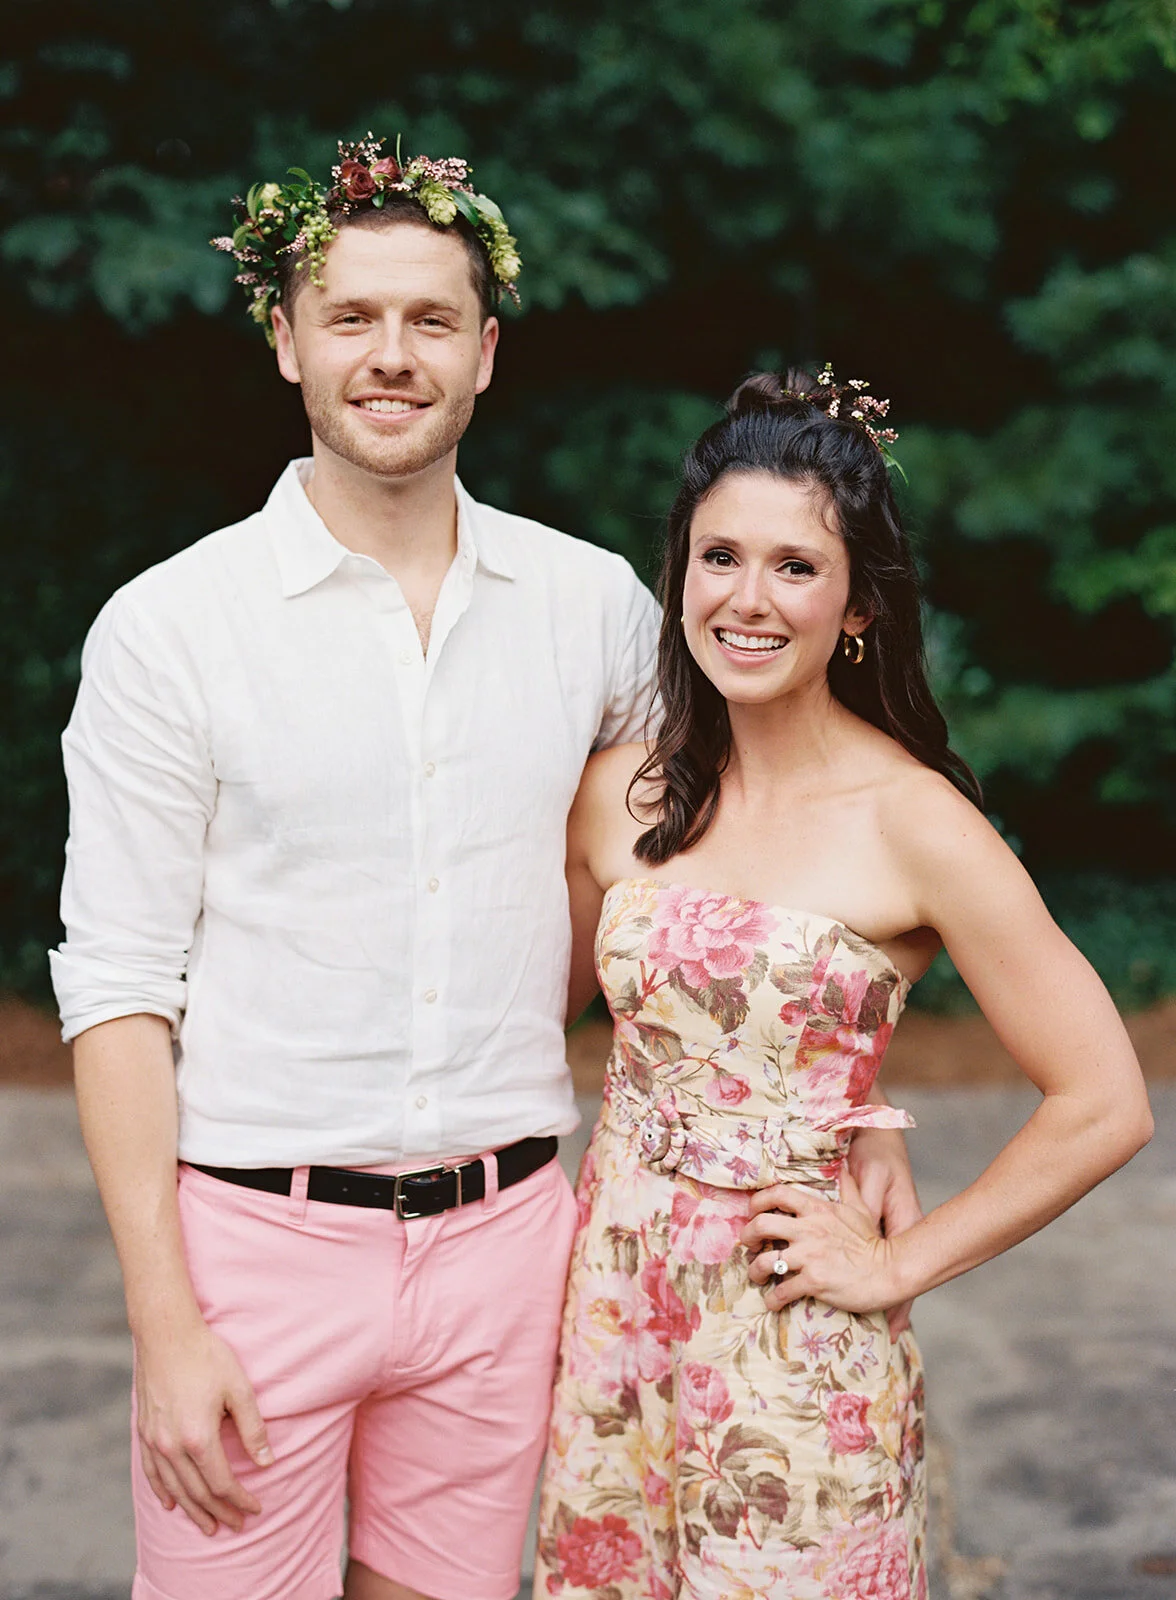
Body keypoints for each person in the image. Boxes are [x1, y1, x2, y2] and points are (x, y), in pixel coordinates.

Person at [49, 136, 666, 1600]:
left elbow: (715, 872)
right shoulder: (170, 627)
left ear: (487, 352)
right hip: (256, 1251)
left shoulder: (596, 610)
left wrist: (855, 1111)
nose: (392, 356)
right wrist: (165, 1320)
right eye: (352, 318)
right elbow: (122, 987)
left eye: (432, 321)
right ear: (286, 340)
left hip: (512, 1239)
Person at [533, 367, 1153, 1600]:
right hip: (613, 1321)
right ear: (681, 573)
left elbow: (1104, 1098)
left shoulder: (916, 823)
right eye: (719, 558)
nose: (747, 600)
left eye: (795, 567)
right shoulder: (618, 792)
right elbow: (528, 1011)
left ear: (857, 604)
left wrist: (894, 1264)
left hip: (792, 1345)